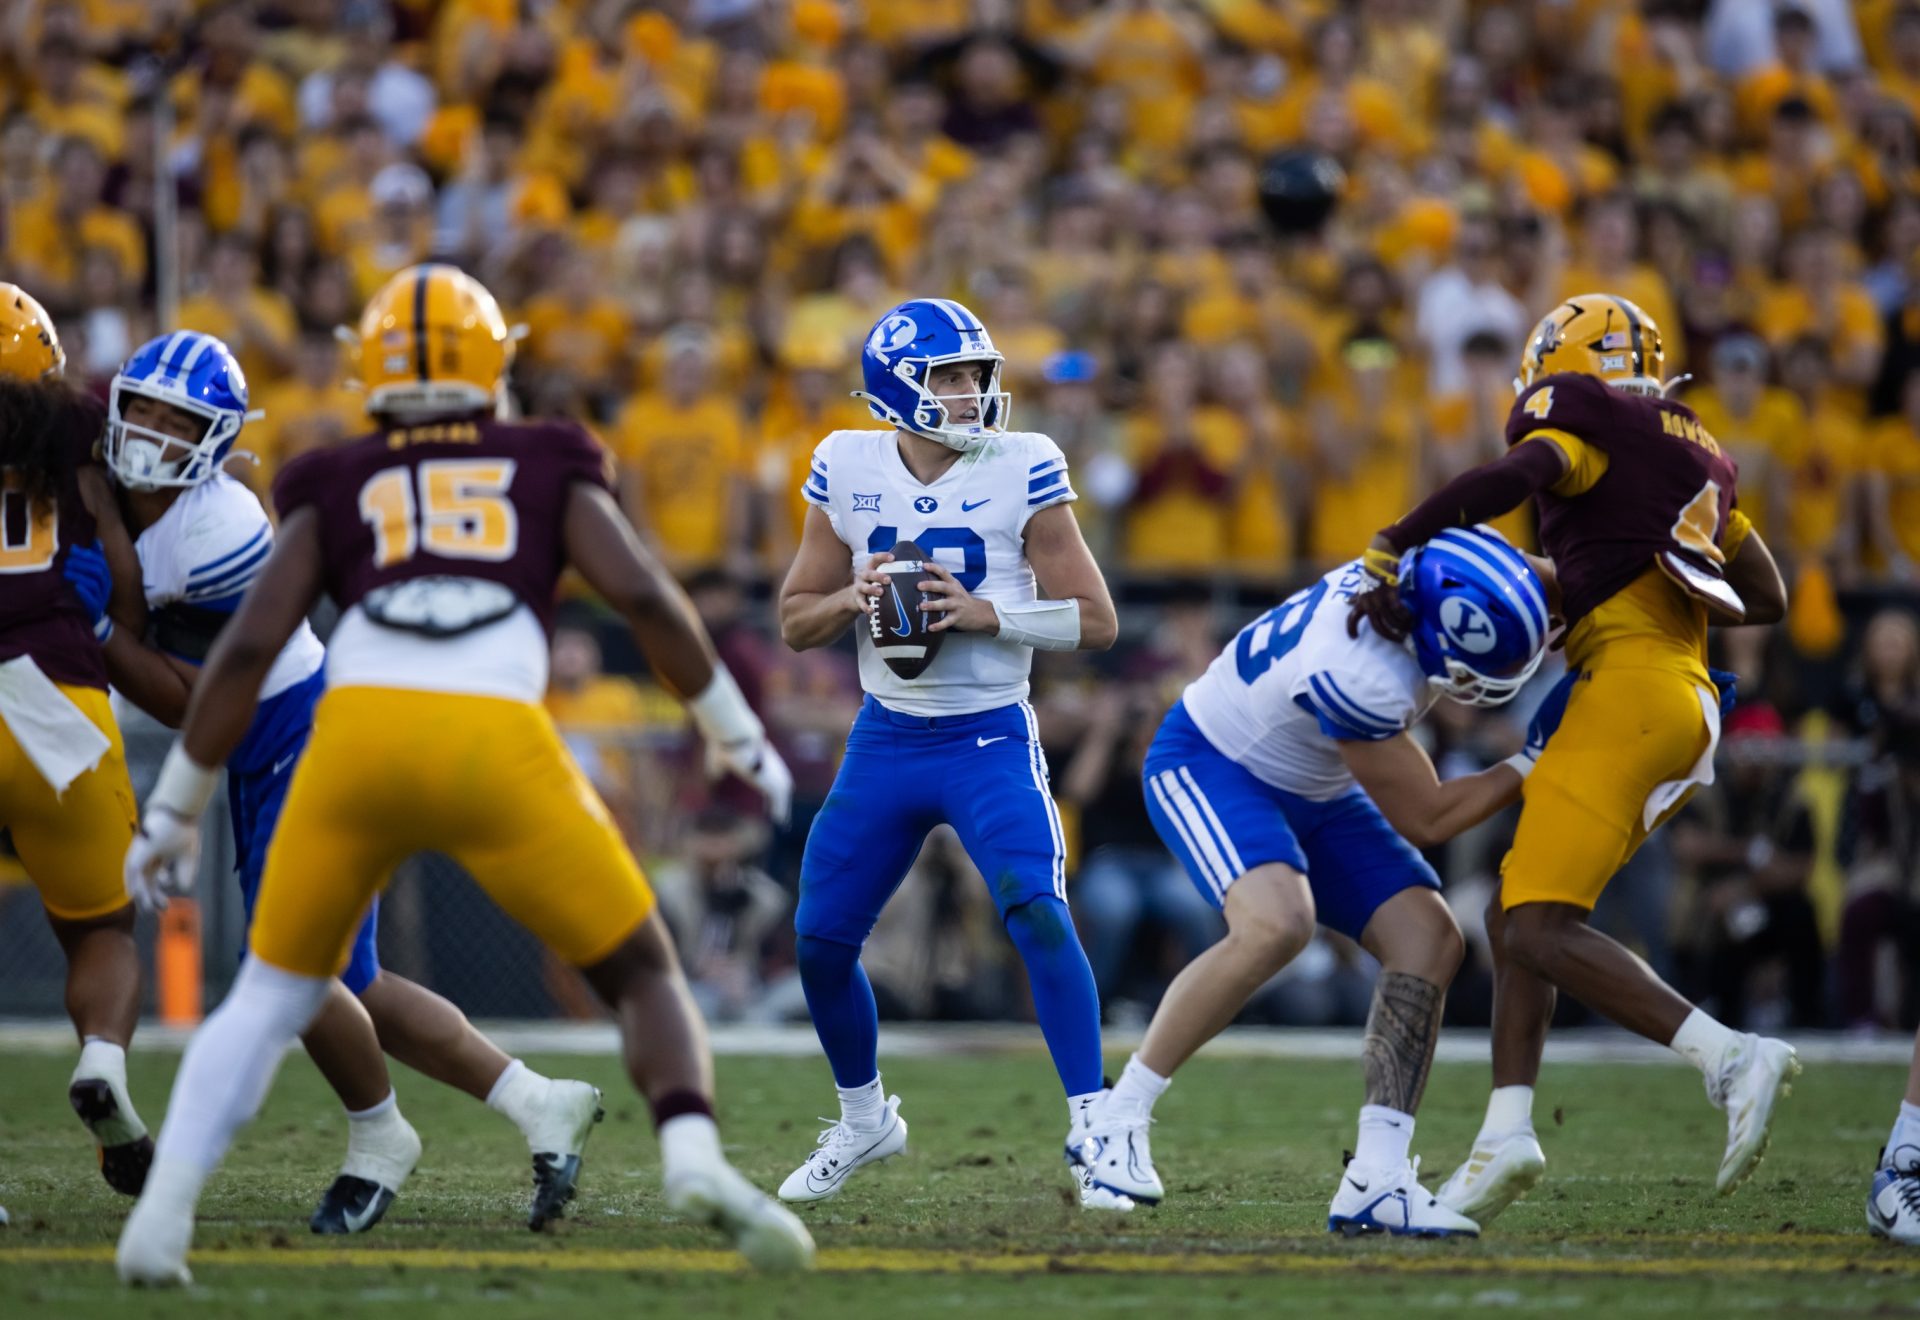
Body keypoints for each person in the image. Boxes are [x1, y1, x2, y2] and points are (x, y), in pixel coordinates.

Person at [115, 265, 814, 1284]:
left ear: (370, 371)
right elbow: (646, 598)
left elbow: (251, 647)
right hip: (498, 743)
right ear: (499, 364)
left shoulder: (332, 474)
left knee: (268, 994)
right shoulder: (547, 457)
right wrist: (734, 730)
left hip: (355, 740)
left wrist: (175, 804)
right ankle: (695, 1154)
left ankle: (158, 1223)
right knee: (644, 972)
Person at [90, 328, 604, 1235]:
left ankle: (380, 1136)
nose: (154, 436)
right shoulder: (120, 489)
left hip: (297, 725)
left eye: (181, 422)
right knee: (352, 981)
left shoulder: (217, 531)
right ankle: (536, 1101)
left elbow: (186, 700)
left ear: (217, 439)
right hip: (266, 739)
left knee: (293, 964)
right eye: (146, 411)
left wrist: (93, 630)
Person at [1351, 294, 1796, 1225]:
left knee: (1540, 930)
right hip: (1684, 692)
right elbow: (1769, 595)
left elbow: (1519, 473)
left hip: (1628, 691)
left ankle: (1726, 1056)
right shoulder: (1696, 443)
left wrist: (1399, 539)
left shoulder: (1581, 414)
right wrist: (1630, 587)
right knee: (1521, 912)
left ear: (1568, 359)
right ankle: (1507, 1127)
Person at [1078, 528, 1559, 1237]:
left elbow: (1557, 575)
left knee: (1428, 939)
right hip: (1215, 761)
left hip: (1313, 779)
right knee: (1277, 923)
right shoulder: (1361, 673)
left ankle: (1378, 1177)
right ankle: (1115, 1120)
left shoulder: (1420, 576)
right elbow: (1431, 816)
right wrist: (1536, 759)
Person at [774, 298, 1124, 1209]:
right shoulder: (845, 462)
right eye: (952, 377)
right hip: (886, 736)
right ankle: (863, 1120)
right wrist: (853, 599)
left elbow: (1098, 621)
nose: (973, 393)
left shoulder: (1024, 463)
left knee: (1036, 910)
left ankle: (1098, 1130)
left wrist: (987, 613)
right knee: (818, 941)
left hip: (987, 734)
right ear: (901, 387)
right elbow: (794, 619)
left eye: (977, 375)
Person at [0, 282, 153, 1197]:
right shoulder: (77, 433)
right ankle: (103, 1058)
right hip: (56, 698)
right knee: (103, 929)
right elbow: (123, 578)